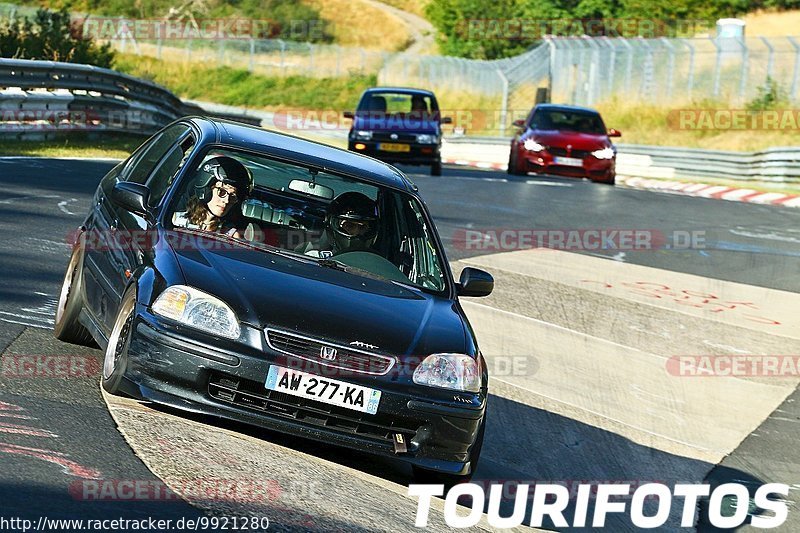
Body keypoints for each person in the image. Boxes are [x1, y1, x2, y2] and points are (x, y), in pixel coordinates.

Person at [172, 155, 252, 239]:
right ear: (206, 190)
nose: (227, 200)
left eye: (233, 196)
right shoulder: (174, 220)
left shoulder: (231, 236)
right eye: (222, 192)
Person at [297, 192, 379, 258]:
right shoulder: (315, 259)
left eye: (362, 227)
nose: (356, 233)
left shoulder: (378, 267)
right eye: (349, 226)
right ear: (332, 227)